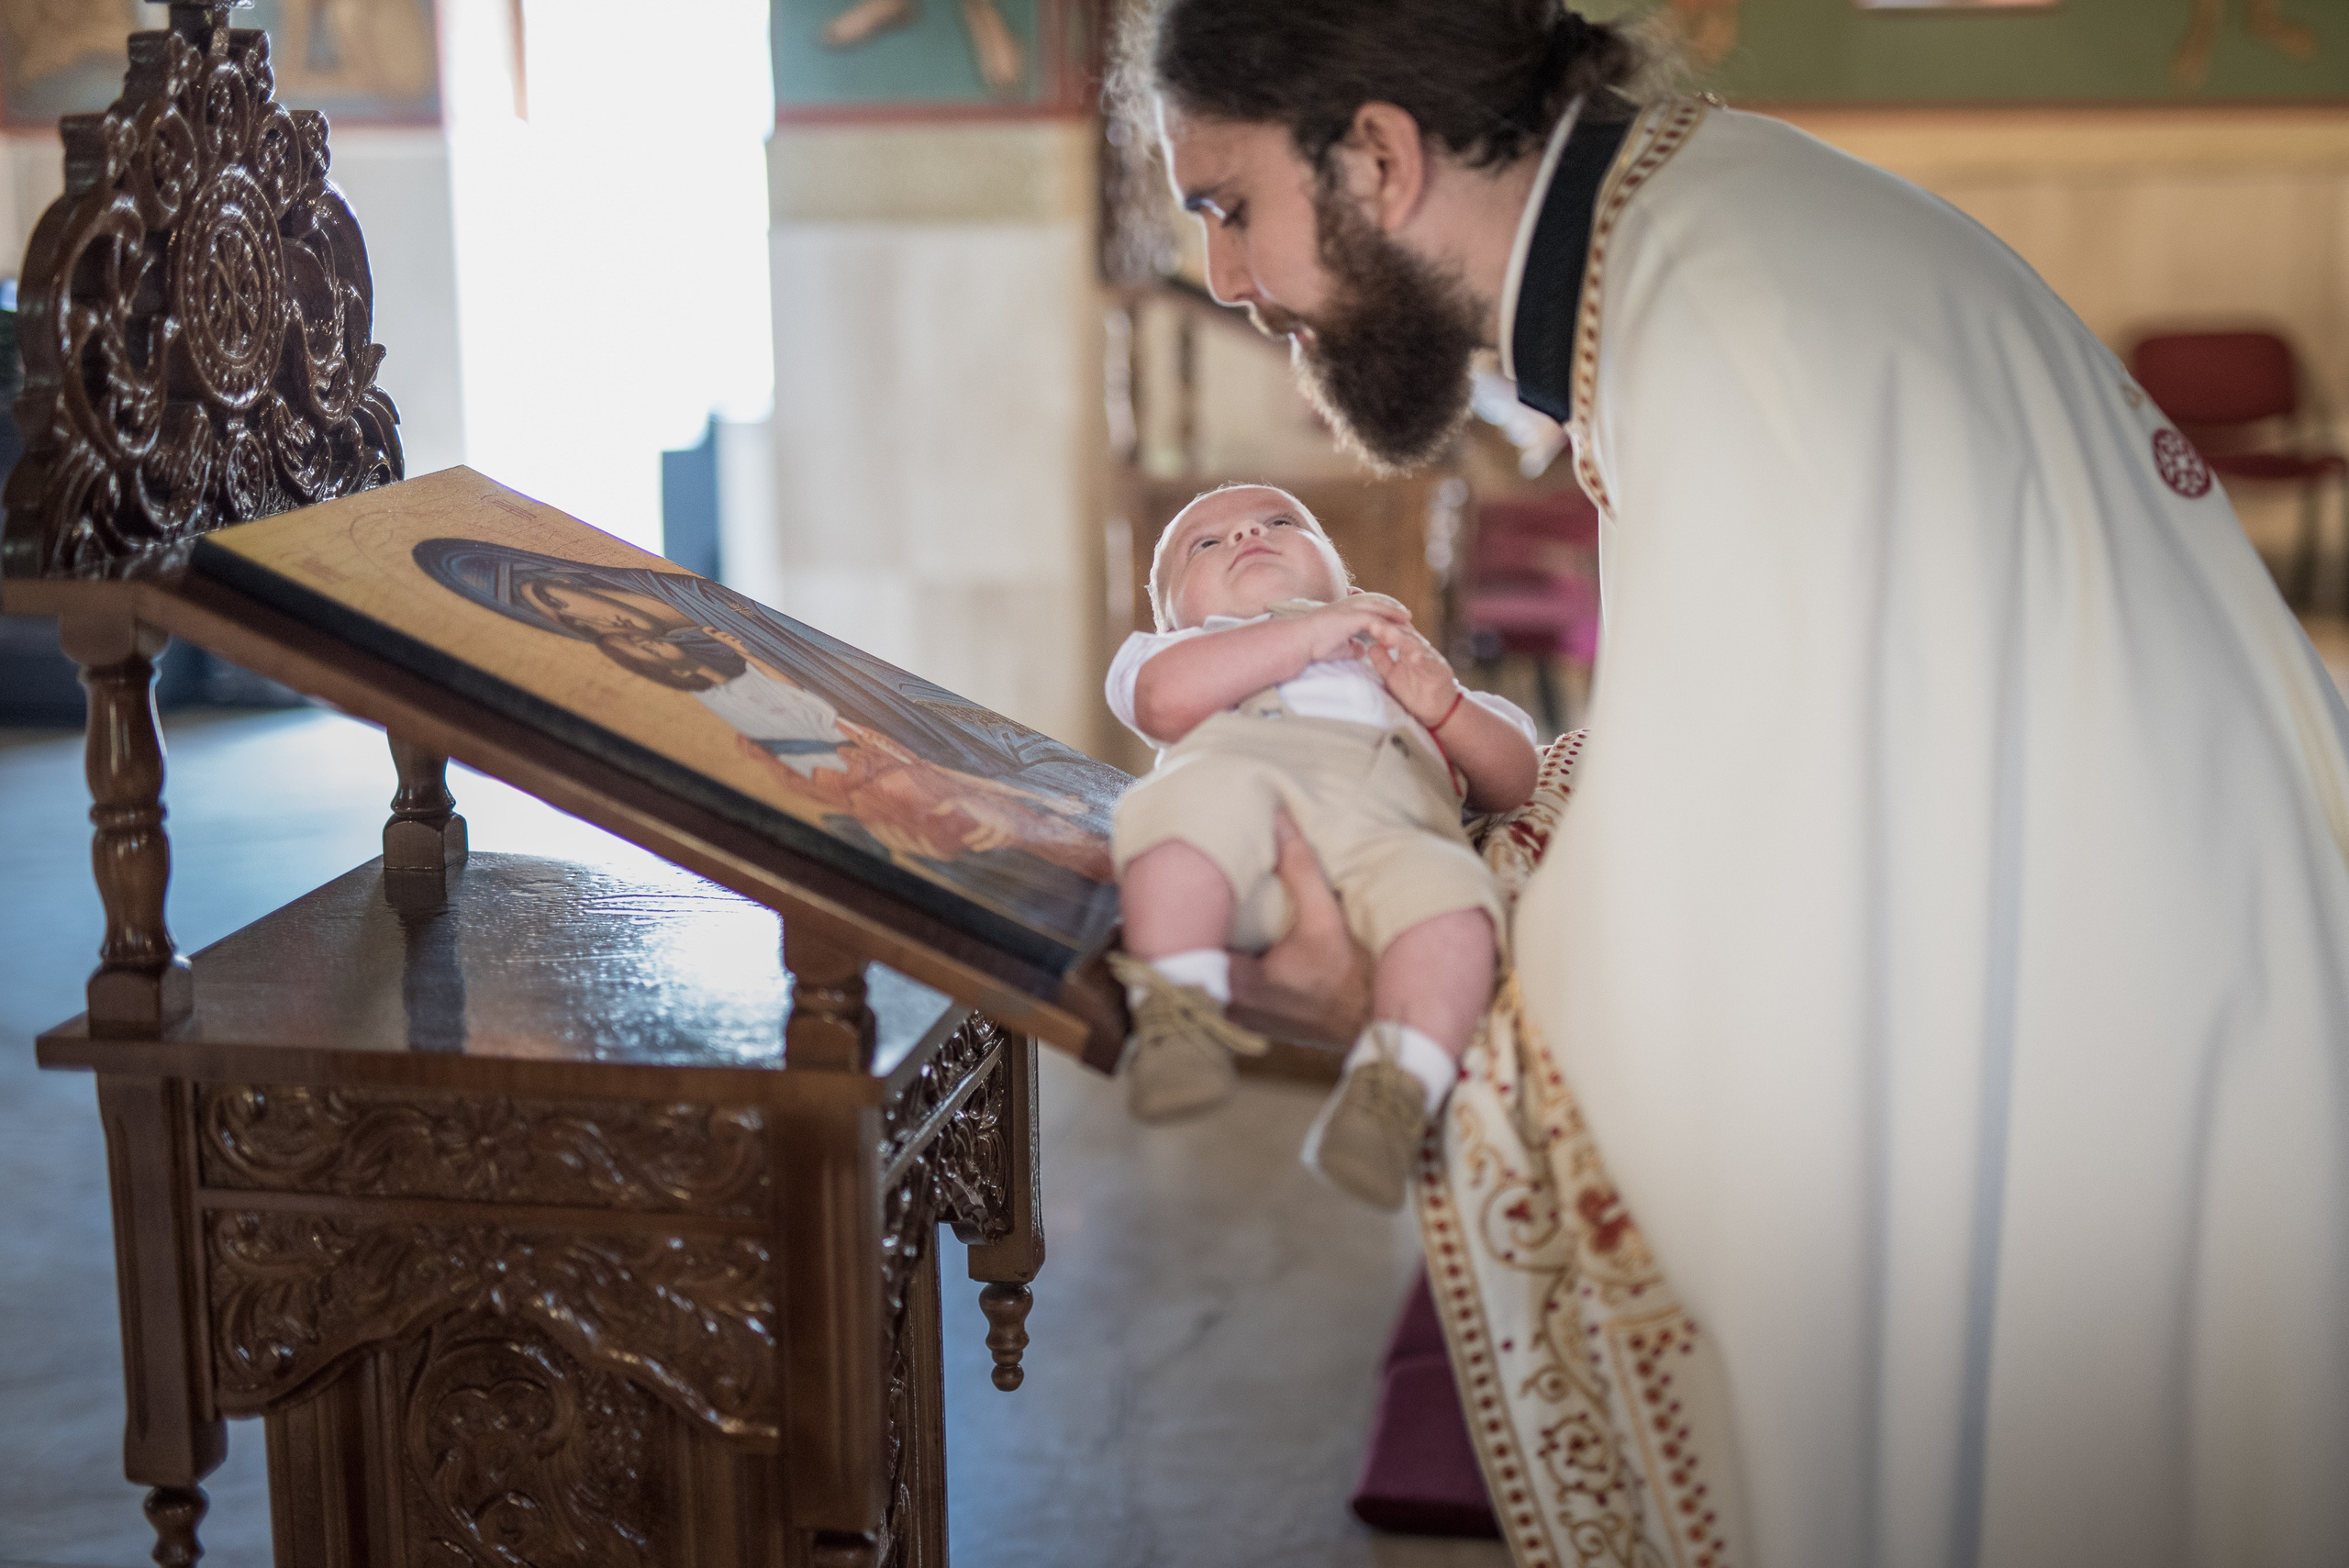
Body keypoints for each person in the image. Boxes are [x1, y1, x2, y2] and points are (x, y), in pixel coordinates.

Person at [1123, 4, 2349, 1567]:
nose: (1223, 277)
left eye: (1228, 206)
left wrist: (1382, 979)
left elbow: (1767, 970)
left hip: (2139, 1106)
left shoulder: (1732, 317)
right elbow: (1811, 779)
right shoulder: (1704, 240)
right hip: (2177, 1024)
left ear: (1377, 156)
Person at [1108, 484, 1538, 1208]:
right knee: (1178, 813)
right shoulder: (1181, 653)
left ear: (1351, 583)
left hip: (1390, 842)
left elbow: (1514, 777)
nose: (1247, 532)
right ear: (1173, 617)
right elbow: (1161, 701)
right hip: (1244, 842)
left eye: (1281, 521)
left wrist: (1448, 709)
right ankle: (1177, 1009)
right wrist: (1306, 633)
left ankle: (1392, 1091)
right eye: (1206, 544)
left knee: (1457, 907)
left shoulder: (1402, 664)